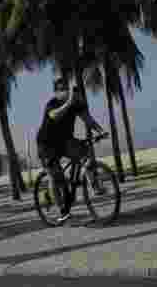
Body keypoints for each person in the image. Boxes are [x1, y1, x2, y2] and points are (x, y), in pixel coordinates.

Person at [36, 75, 107, 223]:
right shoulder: (52, 103)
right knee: (57, 177)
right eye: (61, 89)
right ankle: (62, 210)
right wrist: (69, 102)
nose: (65, 91)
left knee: (85, 152)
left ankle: (95, 186)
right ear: (56, 92)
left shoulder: (75, 104)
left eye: (66, 88)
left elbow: (88, 119)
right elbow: (55, 115)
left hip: (65, 142)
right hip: (47, 145)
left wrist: (100, 131)